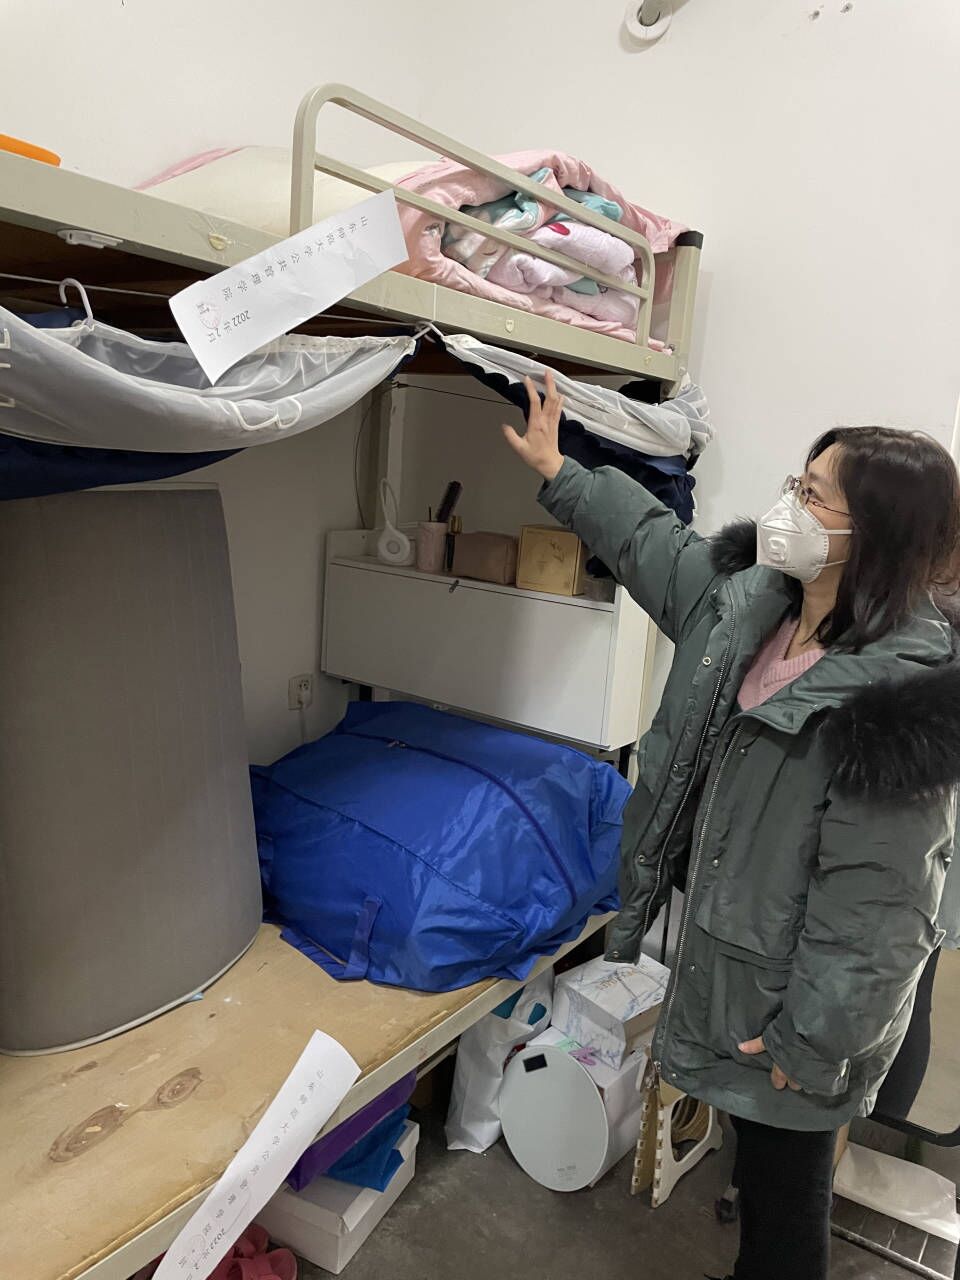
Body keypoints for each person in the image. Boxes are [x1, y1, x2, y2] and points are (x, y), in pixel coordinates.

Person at [503, 373, 960, 1280]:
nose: (789, 505)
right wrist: (562, 472)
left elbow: (880, 915)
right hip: (734, 975)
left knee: (786, 1214)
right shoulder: (755, 606)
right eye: (797, 482)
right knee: (759, 1187)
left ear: (873, 536)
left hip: (794, 1013)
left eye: (814, 495)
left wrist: (809, 1044)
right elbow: (654, 547)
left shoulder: (894, 703)